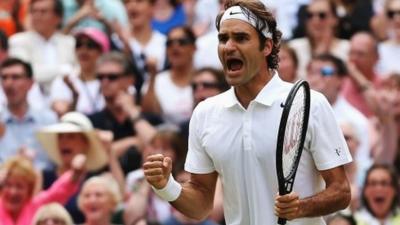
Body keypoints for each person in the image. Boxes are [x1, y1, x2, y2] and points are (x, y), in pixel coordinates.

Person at [143, 1, 352, 225]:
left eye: (241, 38)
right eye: (223, 39)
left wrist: (301, 207)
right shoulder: (205, 113)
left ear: (267, 47)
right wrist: (166, 186)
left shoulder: (311, 104)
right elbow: (201, 206)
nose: (229, 47)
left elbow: (341, 192)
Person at [36, 111, 124, 223]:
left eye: (71, 136)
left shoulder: (95, 179)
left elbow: (119, 195)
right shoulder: (44, 176)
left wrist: (109, 151)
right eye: (60, 137)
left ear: (85, 143)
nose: (64, 142)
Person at [0, 57, 58, 170]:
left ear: (30, 83)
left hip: (44, 183)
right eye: (4, 78)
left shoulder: (49, 120)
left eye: (15, 77)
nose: (9, 83)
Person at [0, 155, 85, 225]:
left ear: (29, 189)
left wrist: (75, 174)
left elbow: (58, 192)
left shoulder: (36, 205)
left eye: (19, 187)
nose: (13, 192)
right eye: (8, 185)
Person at [50, 27, 110, 117]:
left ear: (102, 52)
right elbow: (62, 116)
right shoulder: (64, 80)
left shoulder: (113, 79)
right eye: (78, 45)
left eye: (90, 45)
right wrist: (75, 96)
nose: (83, 50)